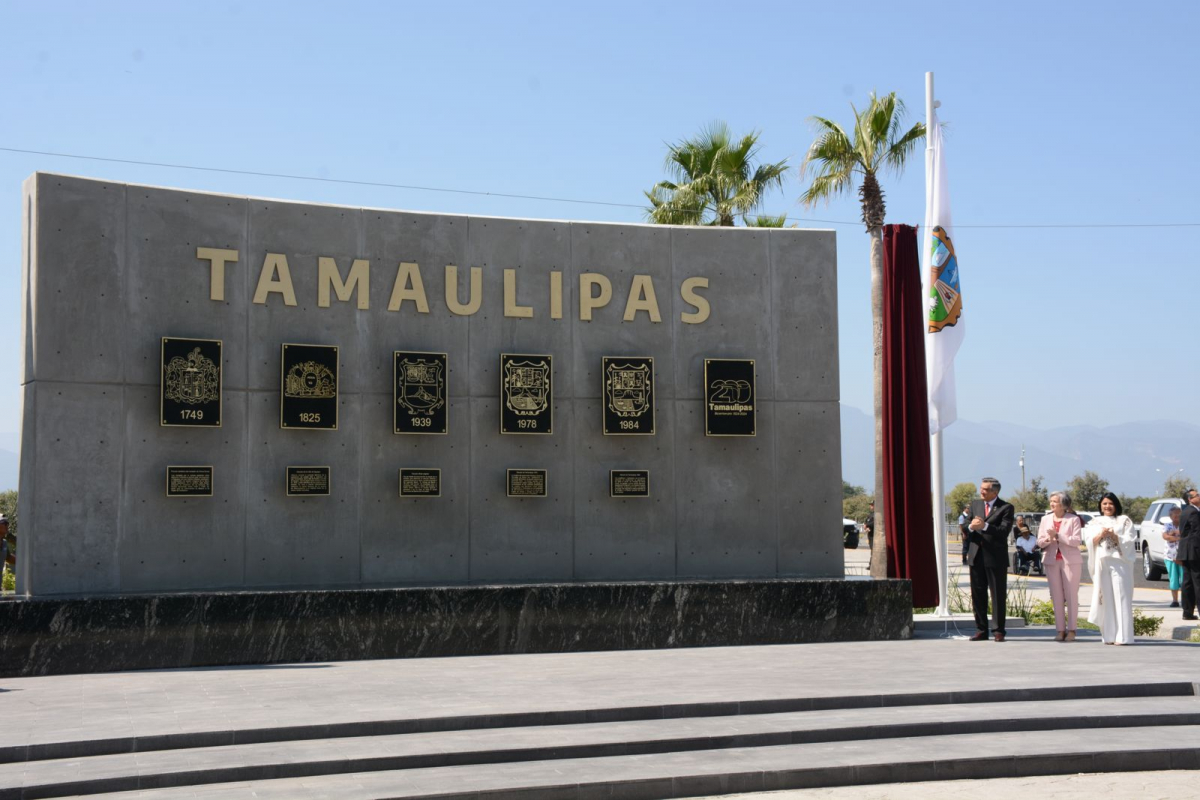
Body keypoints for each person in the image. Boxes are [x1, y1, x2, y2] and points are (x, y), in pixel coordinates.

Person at [961, 477, 1015, 642]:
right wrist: (971, 526)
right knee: (978, 594)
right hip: (976, 556)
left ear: (995, 492)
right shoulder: (975, 504)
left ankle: (998, 631)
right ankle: (981, 630)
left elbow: (1003, 530)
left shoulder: (1006, 507)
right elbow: (965, 526)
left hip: (995, 558)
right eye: (981, 488)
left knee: (997, 595)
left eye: (985, 489)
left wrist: (984, 526)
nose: (981, 491)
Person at [1085, 492, 1138, 645]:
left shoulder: (1124, 521)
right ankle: (1108, 635)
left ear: (1116, 505)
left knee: (1122, 597)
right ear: (1100, 506)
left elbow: (1129, 541)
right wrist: (1101, 534)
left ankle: (1124, 636)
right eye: (1104, 504)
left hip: (1119, 562)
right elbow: (1089, 542)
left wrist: (1115, 537)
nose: (1107, 506)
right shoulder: (1095, 522)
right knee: (1105, 599)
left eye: (1110, 504)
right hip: (1102, 562)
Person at [1036, 492, 1083, 641]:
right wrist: (1049, 539)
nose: (1052, 504)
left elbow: (1076, 541)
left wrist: (1058, 536)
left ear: (1063, 504)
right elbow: (1040, 542)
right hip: (1051, 560)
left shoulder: (1073, 519)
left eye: (1055, 501)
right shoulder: (1045, 519)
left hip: (1070, 561)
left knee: (1071, 596)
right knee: (1056, 596)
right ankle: (1060, 630)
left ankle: (1072, 630)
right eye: (1051, 501)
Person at [1178, 488, 1200, 621]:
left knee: (1188, 582)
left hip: (1186, 550)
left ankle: (1187, 611)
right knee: (1197, 581)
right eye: (1197, 495)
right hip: (1195, 550)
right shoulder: (1193, 512)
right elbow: (1197, 532)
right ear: (1190, 499)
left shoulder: (1185, 511)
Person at [1162, 505, 1183, 608]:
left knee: (1185, 579)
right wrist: (1178, 537)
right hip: (1170, 556)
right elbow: (1165, 537)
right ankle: (1175, 600)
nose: (1177, 516)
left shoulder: (1184, 525)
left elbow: (1187, 535)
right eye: (1175, 514)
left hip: (1183, 556)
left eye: (1179, 514)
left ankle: (1186, 600)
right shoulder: (1167, 525)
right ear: (1170, 516)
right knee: (1173, 579)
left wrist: (1175, 534)